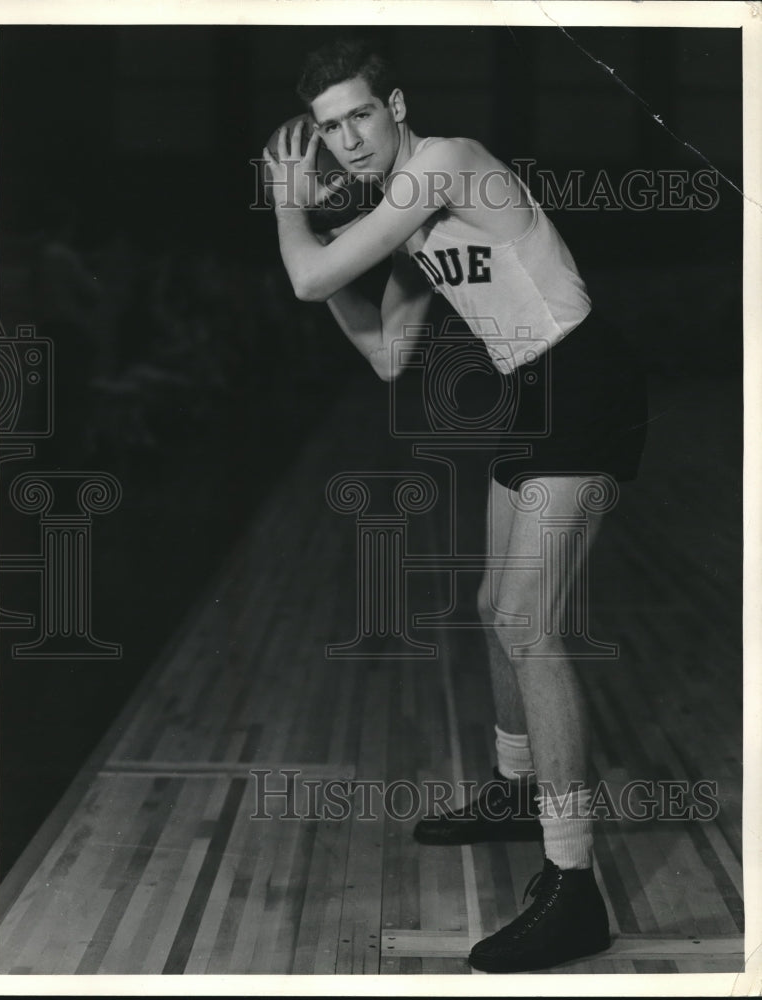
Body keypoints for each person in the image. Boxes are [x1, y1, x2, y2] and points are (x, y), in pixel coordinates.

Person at [263, 38, 648, 973]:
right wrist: (324, 261)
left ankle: (573, 889)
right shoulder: (411, 221)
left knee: (529, 623)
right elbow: (387, 354)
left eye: (358, 115)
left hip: (585, 384)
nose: (347, 139)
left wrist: (286, 209)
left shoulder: (445, 163)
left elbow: (311, 274)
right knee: (491, 610)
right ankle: (517, 791)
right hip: (527, 396)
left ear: (394, 105)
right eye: (328, 130)